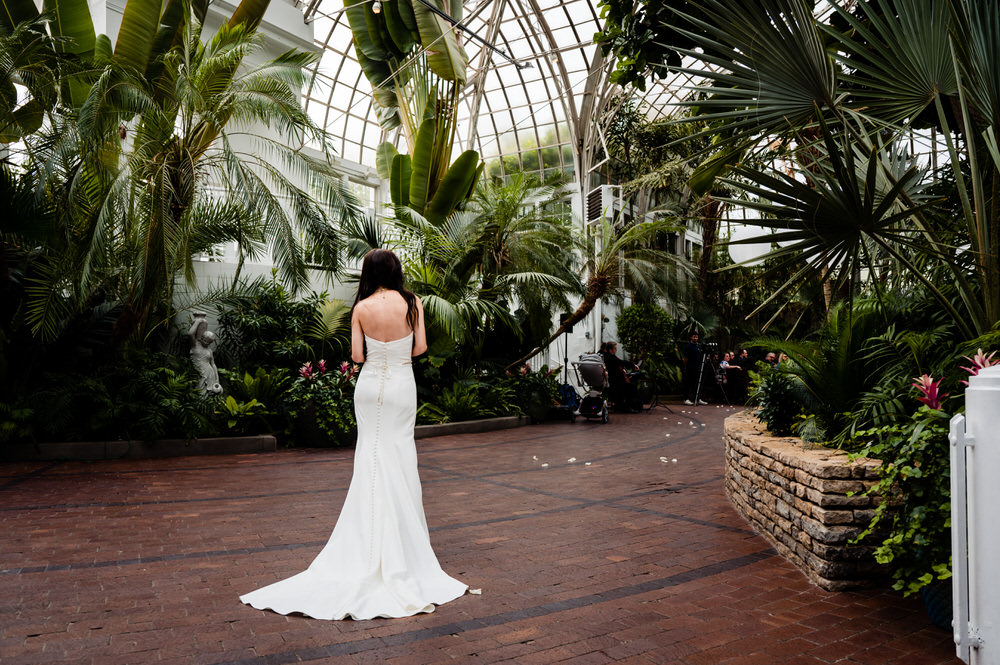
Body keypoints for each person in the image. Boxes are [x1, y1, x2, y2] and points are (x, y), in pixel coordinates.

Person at [240, 248, 467, 620]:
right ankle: (402, 545)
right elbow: (421, 348)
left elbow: (357, 358)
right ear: (395, 271)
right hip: (400, 387)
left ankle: (366, 540)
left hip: (370, 387)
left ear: (368, 272)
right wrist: (400, 347)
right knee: (399, 456)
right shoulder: (413, 303)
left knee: (371, 457)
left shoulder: (360, 308)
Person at [600, 341, 640, 413]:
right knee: (631, 387)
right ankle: (627, 407)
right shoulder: (610, 357)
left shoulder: (608, 356)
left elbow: (619, 363)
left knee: (629, 385)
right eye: (615, 348)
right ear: (610, 350)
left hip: (614, 381)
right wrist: (633, 365)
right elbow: (621, 362)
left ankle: (622, 406)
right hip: (614, 382)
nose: (616, 350)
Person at [682, 332, 706, 405]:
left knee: (697, 383)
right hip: (690, 367)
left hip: (697, 367)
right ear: (691, 337)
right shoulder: (688, 346)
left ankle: (697, 398)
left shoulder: (698, 346)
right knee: (688, 383)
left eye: (696, 337)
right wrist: (685, 367)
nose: (695, 338)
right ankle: (686, 399)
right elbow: (685, 358)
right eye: (694, 337)